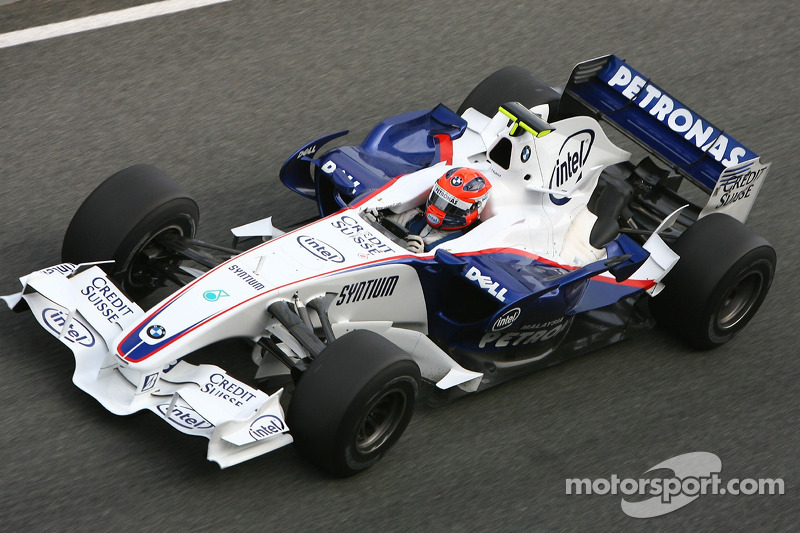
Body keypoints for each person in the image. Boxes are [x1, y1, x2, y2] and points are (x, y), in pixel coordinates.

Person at [379, 167, 492, 252]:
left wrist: (422, 257)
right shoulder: (413, 215)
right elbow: (378, 222)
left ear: (474, 208)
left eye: (452, 208)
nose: (440, 209)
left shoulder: (462, 245)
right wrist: (373, 217)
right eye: (439, 201)